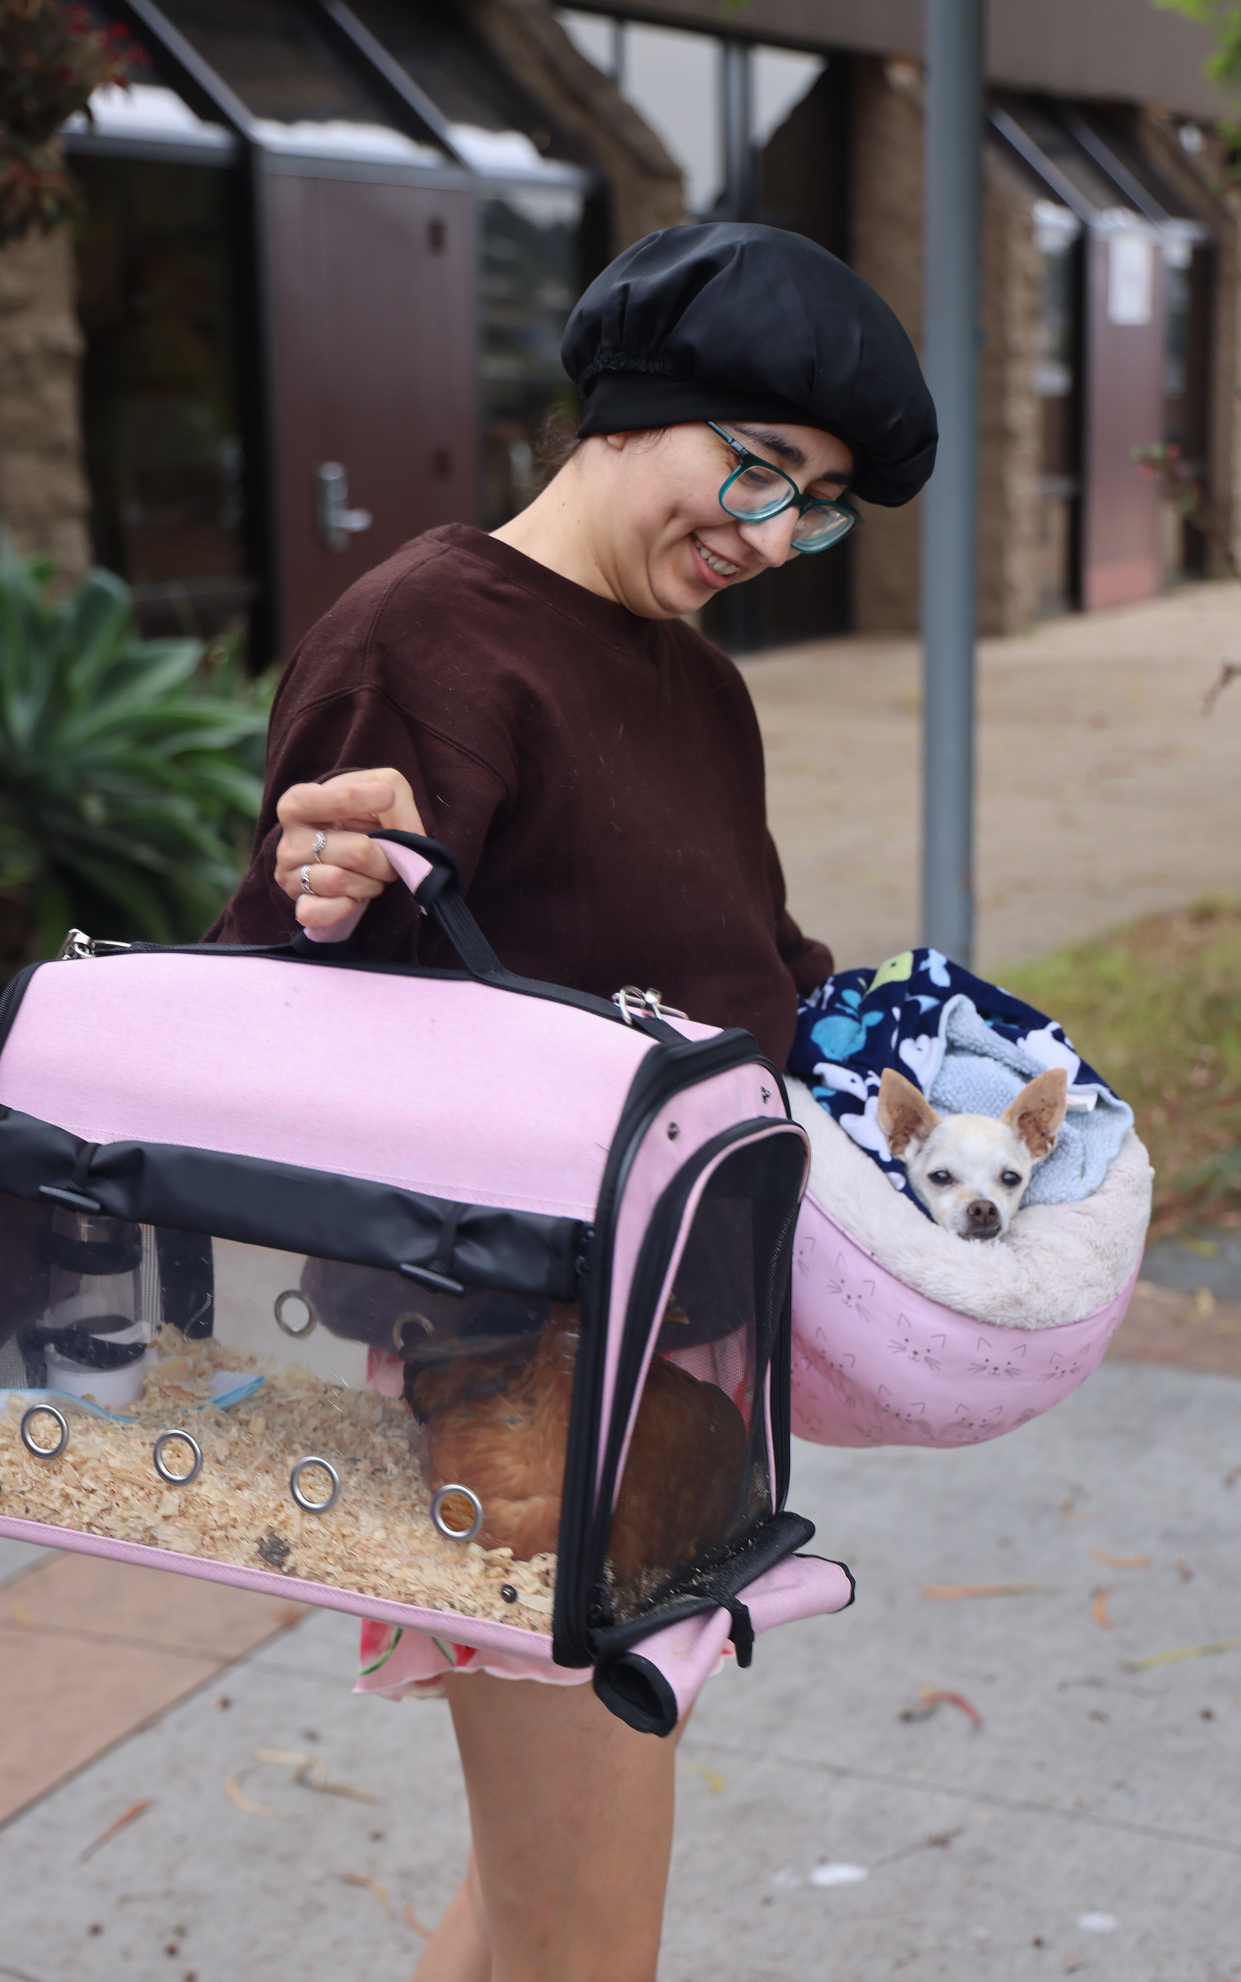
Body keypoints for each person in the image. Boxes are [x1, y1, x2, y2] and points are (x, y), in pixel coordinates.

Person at [212, 221, 936, 1982]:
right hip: (509, 1377)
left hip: (650, 1350)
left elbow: (733, 949)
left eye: (817, 504)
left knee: (538, 1902)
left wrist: (897, 1056)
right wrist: (328, 882)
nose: (768, 534)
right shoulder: (433, 639)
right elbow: (294, 996)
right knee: (589, 1936)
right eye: (751, 467)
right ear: (624, 410)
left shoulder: (692, 680)